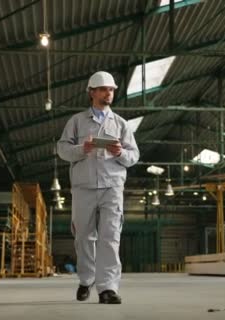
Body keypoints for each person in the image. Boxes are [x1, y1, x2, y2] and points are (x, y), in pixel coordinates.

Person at [57, 71, 139, 304]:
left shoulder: (121, 124)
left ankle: (108, 288)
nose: (108, 93)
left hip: (112, 186)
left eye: (111, 90)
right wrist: (83, 148)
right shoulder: (76, 121)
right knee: (83, 236)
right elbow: (62, 149)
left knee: (110, 237)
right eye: (103, 89)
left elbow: (134, 156)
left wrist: (120, 152)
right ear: (91, 92)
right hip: (83, 187)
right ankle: (86, 279)